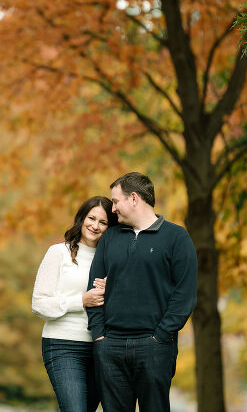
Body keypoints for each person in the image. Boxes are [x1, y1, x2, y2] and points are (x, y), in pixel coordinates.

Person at [86, 172, 198, 412]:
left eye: (116, 201)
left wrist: (160, 335)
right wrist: (99, 336)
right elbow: (93, 287)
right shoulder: (110, 238)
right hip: (110, 346)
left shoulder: (177, 237)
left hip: (155, 346)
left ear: (134, 198)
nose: (112, 209)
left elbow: (184, 294)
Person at [32, 196, 118, 412]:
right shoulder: (58, 252)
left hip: (100, 348)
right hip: (63, 345)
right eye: (91, 218)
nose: (95, 226)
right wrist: (81, 301)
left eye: (103, 222)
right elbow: (39, 303)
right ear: (82, 218)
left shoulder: (113, 261)